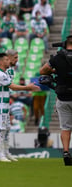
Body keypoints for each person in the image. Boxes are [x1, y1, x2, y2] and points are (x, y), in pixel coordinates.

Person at [0, 53, 39, 162]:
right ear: (2, 62)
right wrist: (28, 87)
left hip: (4, 105)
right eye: (7, 59)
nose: (10, 61)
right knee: (0, 129)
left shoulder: (3, 72)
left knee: (6, 129)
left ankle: (6, 153)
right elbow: (12, 86)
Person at [39, 35, 72, 165]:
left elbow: (43, 71)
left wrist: (55, 70)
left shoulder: (58, 57)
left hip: (63, 98)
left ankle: (65, 152)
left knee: (65, 127)